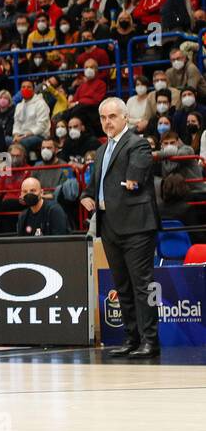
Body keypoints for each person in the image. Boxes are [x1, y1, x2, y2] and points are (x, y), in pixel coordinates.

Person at [81, 98, 161, 358]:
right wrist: (86, 194)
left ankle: (150, 340)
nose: (107, 122)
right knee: (122, 286)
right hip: (110, 225)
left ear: (125, 117)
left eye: (112, 116)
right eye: (103, 118)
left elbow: (136, 174)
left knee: (143, 286)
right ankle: (132, 338)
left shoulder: (137, 143)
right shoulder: (103, 150)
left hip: (136, 226)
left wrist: (132, 180)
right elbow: (97, 182)